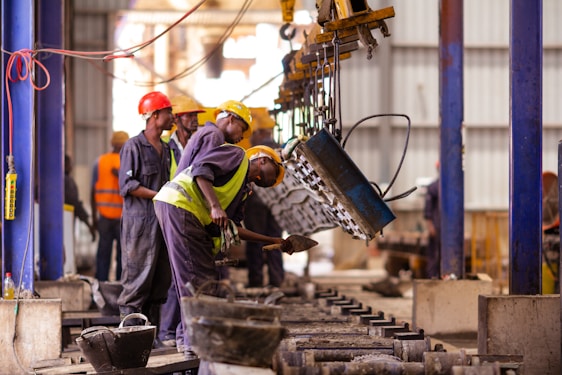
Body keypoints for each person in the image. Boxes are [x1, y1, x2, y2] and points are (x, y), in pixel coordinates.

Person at [153, 100, 291, 358]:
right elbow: (202, 171)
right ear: (260, 160)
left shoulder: (243, 189)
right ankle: (193, 342)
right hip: (181, 207)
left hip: (181, 210)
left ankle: (188, 339)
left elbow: (236, 229)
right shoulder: (235, 154)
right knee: (199, 282)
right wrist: (215, 207)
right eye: (275, 170)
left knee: (195, 281)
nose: (274, 179)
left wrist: (275, 240)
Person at [117, 91, 174, 336]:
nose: (172, 117)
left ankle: (150, 338)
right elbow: (127, 186)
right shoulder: (133, 146)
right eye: (168, 112)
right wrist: (160, 194)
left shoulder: (167, 148)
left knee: (159, 283)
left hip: (160, 223)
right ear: (154, 115)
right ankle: (130, 337)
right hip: (138, 224)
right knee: (136, 283)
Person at [158, 95, 204, 347]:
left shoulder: (198, 145)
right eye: (190, 116)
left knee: (183, 274)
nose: (195, 120)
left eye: (196, 116)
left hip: (190, 213)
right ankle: (166, 331)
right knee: (172, 275)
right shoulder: (166, 146)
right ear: (177, 119)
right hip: (171, 211)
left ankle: (177, 331)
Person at [244, 108, 285, 287]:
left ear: (260, 132)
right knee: (276, 241)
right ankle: (277, 280)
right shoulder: (279, 151)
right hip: (277, 205)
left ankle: (256, 281)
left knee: (256, 240)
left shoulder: (260, 153)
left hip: (257, 203)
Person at [90, 131, 129, 282]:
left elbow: (92, 192)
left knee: (103, 254)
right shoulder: (127, 162)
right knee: (122, 256)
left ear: (112, 143)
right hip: (122, 217)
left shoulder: (99, 162)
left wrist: (94, 217)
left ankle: (100, 287)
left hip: (104, 216)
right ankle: (120, 287)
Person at [64, 154, 96, 242]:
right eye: (70, 164)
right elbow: (75, 204)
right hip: (65, 224)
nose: (71, 167)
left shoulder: (51, 180)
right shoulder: (67, 181)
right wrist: (89, 225)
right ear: (65, 165)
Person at [423, 161, 441, 279]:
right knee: (434, 255)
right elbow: (428, 210)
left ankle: (444, 276)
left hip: (446, 228)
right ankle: (432, 277)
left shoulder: (451, 187)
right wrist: (431, 226)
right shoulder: (434, 187)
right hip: (437, 226)